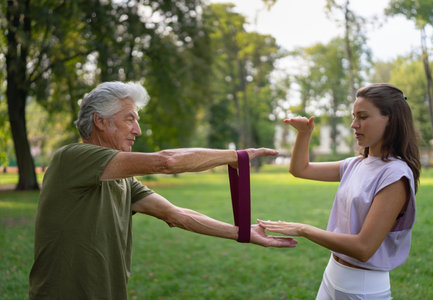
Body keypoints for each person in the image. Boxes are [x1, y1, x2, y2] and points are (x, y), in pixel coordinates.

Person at [29, 81, 297, 300]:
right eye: (129, 119)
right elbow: (167, 161)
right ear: (100, 121)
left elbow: (176, 214)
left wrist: (242, 233)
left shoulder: (123, 181)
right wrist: (235, 157)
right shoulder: (72, 157)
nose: (138, 130)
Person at [258, 83, 421, 299]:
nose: (354, 124)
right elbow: (300, 169)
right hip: (331, 277)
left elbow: (364, 248)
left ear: (389, 119)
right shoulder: (355, 164)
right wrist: (304, 134)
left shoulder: (395, 175)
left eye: (363, 117)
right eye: (354, 116)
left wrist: (304, 229)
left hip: (363, 288)